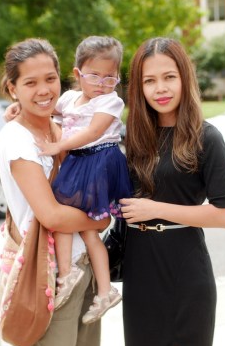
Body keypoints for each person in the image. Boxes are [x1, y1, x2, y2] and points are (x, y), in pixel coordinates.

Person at [115, 37, 225, 346]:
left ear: (185, 78)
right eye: (149, 80)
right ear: (138, 86)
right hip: (141, 266)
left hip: (187, 266)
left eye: (169, 77)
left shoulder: (206, 136)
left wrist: (156, 208)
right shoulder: (131, 135)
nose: (160, 88)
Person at [0, 37, 110, 346]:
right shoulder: (17, 139)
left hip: (81, 271)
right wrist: (99, 219)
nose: (43, 89)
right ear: (12, 89)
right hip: (50, 279)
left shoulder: (60, 122)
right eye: (30, 83)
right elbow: (50, 214)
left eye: (49, 79)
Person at [8, 35, 133, 324]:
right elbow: (46, 108)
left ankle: (73, 276)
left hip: (98, 161)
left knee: (70, 215)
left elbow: (92, 133)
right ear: (77, 74)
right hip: (79, 163)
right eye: (94, 76)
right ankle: (100, 289)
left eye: (110, 78)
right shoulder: (68, 98)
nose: (102, 84)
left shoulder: (111, 101)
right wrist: (16, 108)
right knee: (86, 229)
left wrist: (58, 146)